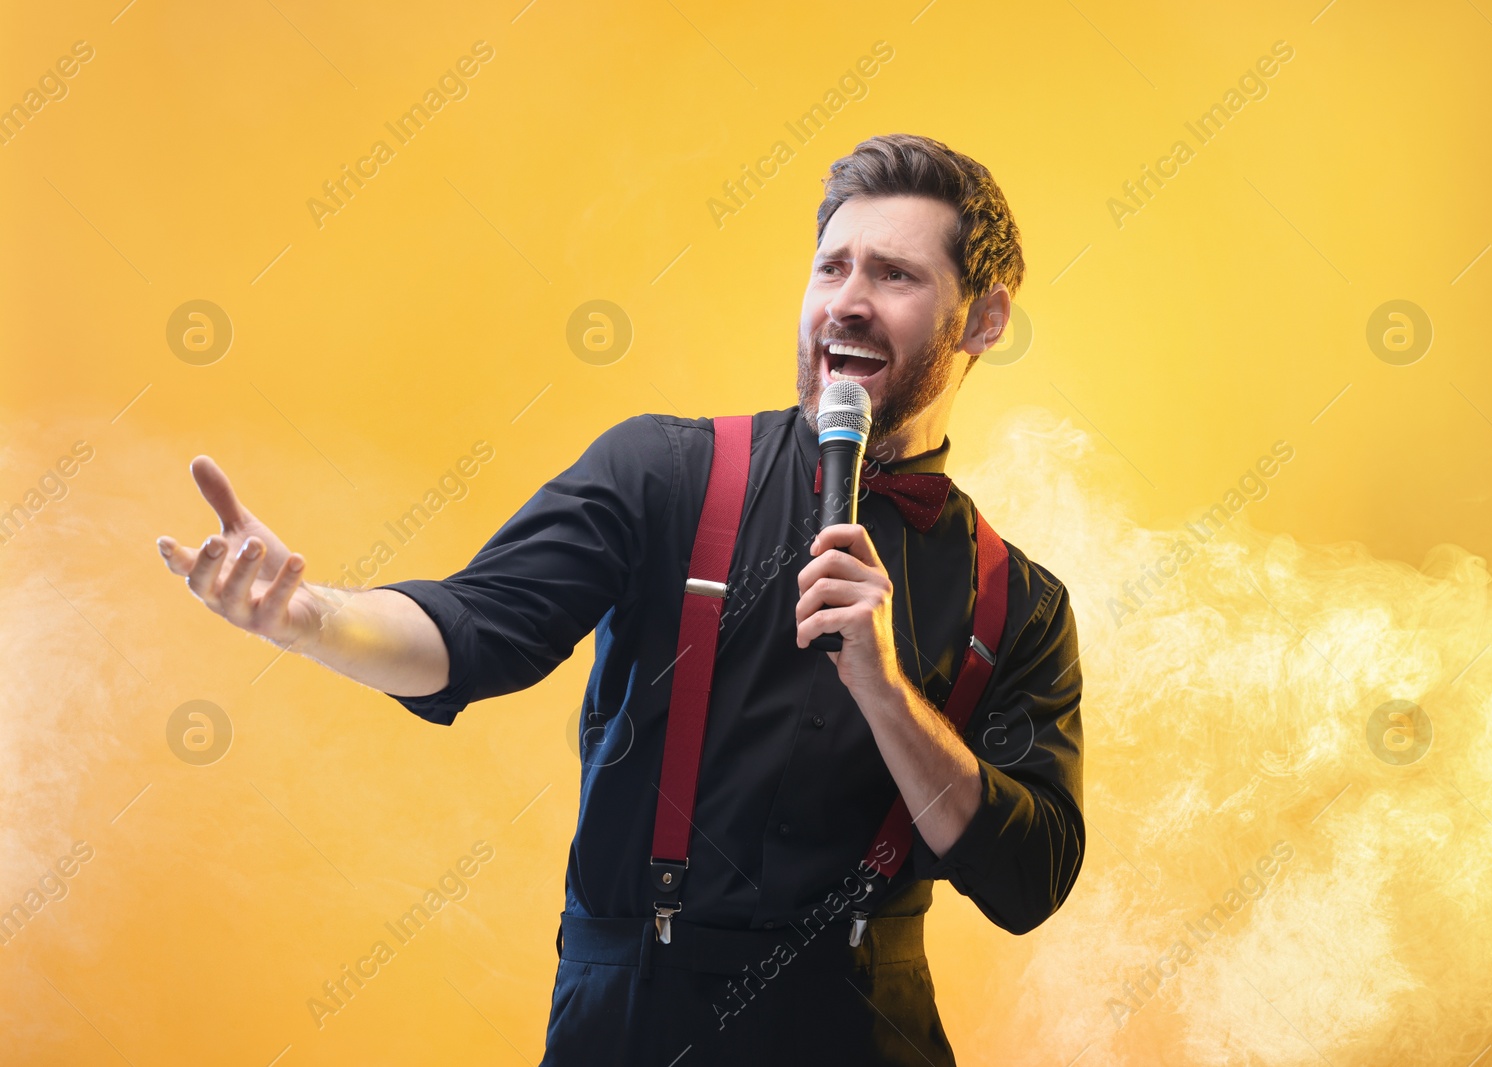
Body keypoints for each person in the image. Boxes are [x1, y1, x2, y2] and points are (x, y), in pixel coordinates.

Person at [156, 133, 1086, 1065]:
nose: (846, 300)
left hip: (868, 1032)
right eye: (831, 267)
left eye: (893, 274)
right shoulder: (667, 473)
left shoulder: (1023, 605)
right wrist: (313, 617)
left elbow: (1029, 878)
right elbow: (473, 630)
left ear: (984, 319)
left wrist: (887, 693)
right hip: (636, 1021)